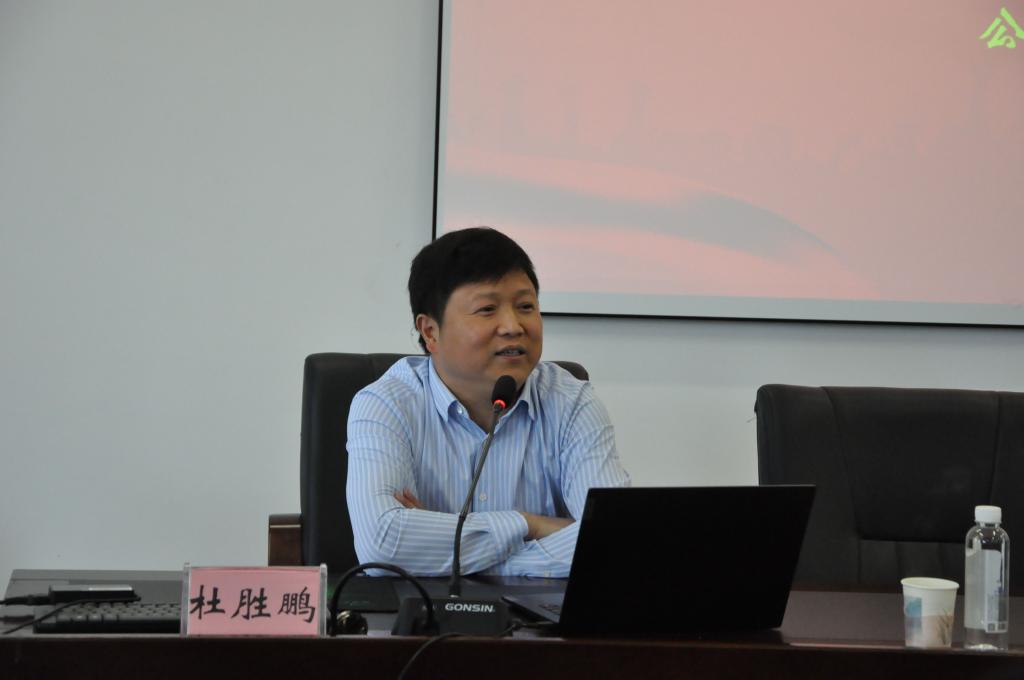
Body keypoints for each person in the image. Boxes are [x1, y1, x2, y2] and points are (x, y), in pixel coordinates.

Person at [346, 227, 630, 577]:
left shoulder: (572, 403)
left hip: (543, 612)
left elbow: (616, 538)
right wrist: (529, 524)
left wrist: (448, 553)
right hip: (424, 611)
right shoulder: (386, 404)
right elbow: (382, 545)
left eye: (525, 306)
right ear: (430, 332)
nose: (513, 326)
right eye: (487, 309)